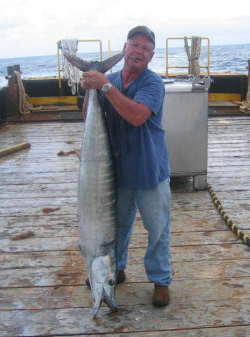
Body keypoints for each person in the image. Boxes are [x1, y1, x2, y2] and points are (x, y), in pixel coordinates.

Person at [80, 26, 172, 307]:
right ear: (124, 48)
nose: (139, 52)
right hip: (116, 173)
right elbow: (87, 118)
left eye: (145, 48)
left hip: (148, 171)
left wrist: (104, 86)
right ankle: (114, 270)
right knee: (116, 230)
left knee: (157, 230)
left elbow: (137, 116)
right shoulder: (111, 80)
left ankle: (160, 280)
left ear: (151, 55)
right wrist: (90, 89)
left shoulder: (152, 83)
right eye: (135, 45)